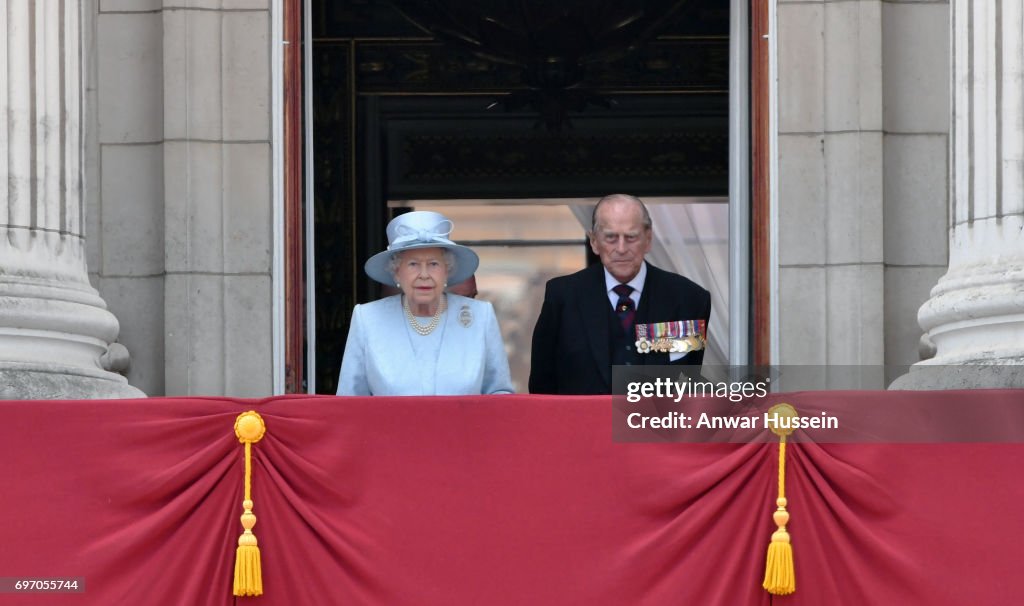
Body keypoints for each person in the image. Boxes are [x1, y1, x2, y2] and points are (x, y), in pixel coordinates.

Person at [528, 194, 711, 395]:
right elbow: (542, 386)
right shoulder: (562, 297)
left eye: (631, 237)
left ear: (648, 239)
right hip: (578, 424)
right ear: (594, 242)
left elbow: (688, 383)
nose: (621, 249)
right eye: (611, 237)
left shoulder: (688, 299)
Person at [337, 211, 513, 396]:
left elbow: (500, 395)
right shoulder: (367, 319)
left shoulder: (480, 316)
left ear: (447, 270)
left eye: (434, 264)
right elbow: (349, 403)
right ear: (396, 272)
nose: (424, 274)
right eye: (413, 264)